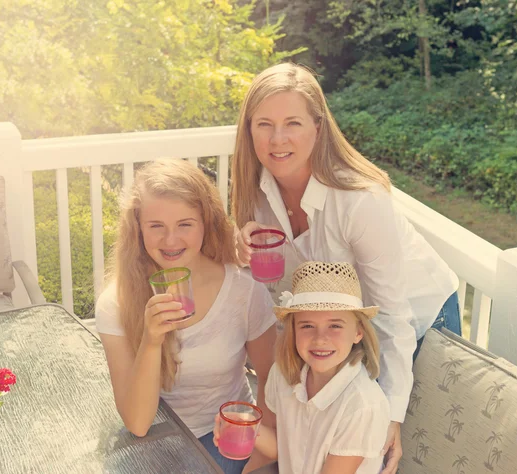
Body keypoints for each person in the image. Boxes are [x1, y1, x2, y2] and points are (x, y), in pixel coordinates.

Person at [231, 63, 460, 474]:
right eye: (263, 124)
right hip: (339, 323)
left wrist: (391, 412)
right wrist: (238, 252)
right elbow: (274, 290)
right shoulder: (255, 192)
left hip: (414, 313)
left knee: (396, 448)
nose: (277, 139)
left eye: (292, 123)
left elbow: (391, 315)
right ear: (248, 130)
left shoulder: (359, 200)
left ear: (318, 127)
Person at [95, 159, 277, 474]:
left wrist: (256, 463)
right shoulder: (117, 302)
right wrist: (152, 342)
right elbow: (138, 424)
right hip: (153, 441)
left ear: (206, 223)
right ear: (138, 229)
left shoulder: (243, 291)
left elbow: (271, 384)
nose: (171, 241)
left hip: (223, 438)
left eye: (185, 224)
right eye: (156, 226)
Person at [214, 261, 390, 474]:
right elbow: (283, 449)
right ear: (293, 331)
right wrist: (250, 427)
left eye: (335, 325)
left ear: (358, 332)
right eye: (307, 325)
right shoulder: (282, 373)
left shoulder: (362, 406)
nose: (320, 339)